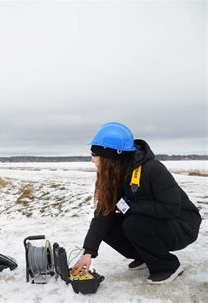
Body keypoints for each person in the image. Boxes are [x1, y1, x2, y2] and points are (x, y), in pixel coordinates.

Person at [71, 122, 201, 284]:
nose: (92, 160)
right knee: (109, 224)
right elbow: (102, 214)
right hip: (153, 221)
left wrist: (132, 208)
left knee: (132, 223)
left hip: (182, 225)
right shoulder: (114, 175)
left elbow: (171, 208)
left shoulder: (152, 169)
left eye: (94, 154)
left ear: (110, 156)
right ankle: (145, 256)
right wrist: (88, 252)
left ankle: (167, 266)